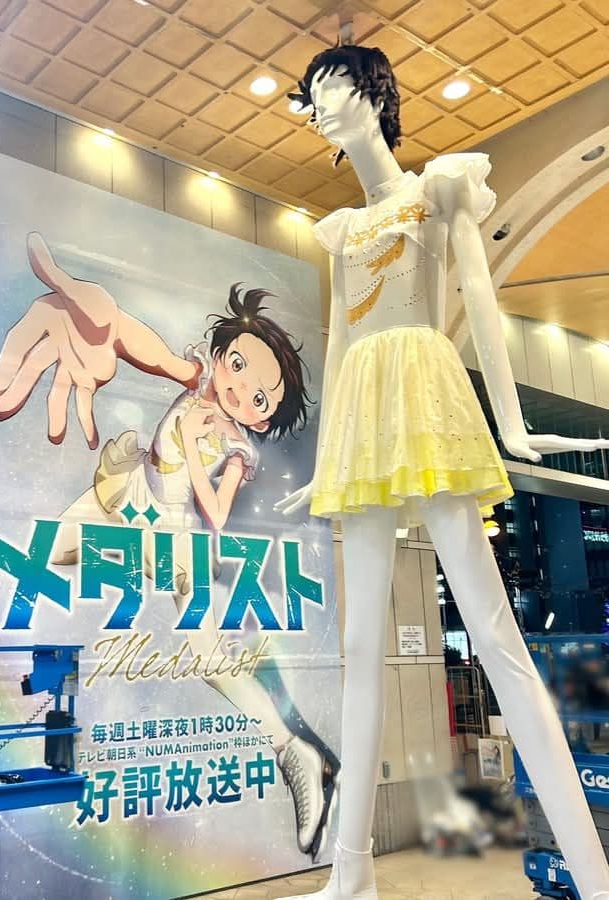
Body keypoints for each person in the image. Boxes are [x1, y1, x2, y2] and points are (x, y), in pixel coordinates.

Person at [275, 44, 609, 900]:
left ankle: (593, 872)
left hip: (425, 394)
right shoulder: (339, 231)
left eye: (332, 88)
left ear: (374, 95)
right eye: (313, 97)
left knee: (495, 634)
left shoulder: (439, 188)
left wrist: (511, 422)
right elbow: (341, 344)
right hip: (362, 414)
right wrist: (325, 459)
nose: (322, 106)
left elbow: (479, 299)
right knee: (358, 646)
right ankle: (350, 877)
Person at [0, 233, 339, 859]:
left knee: (207, 659)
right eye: (238, 367)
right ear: (221, 354)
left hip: (174, 536)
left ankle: (294, 753)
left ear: (262, 418)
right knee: (41, 557)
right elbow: (153, 353)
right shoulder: (198, 383)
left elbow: (216, 515)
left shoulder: (237, 448)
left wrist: (200, 450)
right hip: (123, 497)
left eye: (260, 399)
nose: (241, 392)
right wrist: (113, 324)